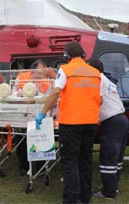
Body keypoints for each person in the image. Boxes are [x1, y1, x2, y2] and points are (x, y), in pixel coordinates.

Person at [35, 42, 102, 204]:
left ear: (67, 56)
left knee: (70, 161)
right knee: (85, 160)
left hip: (71, 123)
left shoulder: (66, 70)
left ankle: (70, 198)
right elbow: (98, 99)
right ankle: (85, 196)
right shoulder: (95, 73)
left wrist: (42, 113)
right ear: (83, 55)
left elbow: (55, 92)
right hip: (91, 122)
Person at [89, 59, 129, 199]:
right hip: (121, 119)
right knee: (116, 157)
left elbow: (97, 100)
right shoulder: (108, 80)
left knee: (108, 157)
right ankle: (113, 186)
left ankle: (108, 192)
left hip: (112, 122)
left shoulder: (98, 79)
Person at [16, 60, 57, 176]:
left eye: (44, 71)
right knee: (21, 140)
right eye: (41, 70)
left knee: (41, 140)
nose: (43, 73)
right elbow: (16, 95)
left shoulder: (49, 81)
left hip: (42, 116)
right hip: (24, 116)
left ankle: (41, 168)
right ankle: (23, 167)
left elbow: (52, 98)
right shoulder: (22, 80)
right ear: (33, 70)